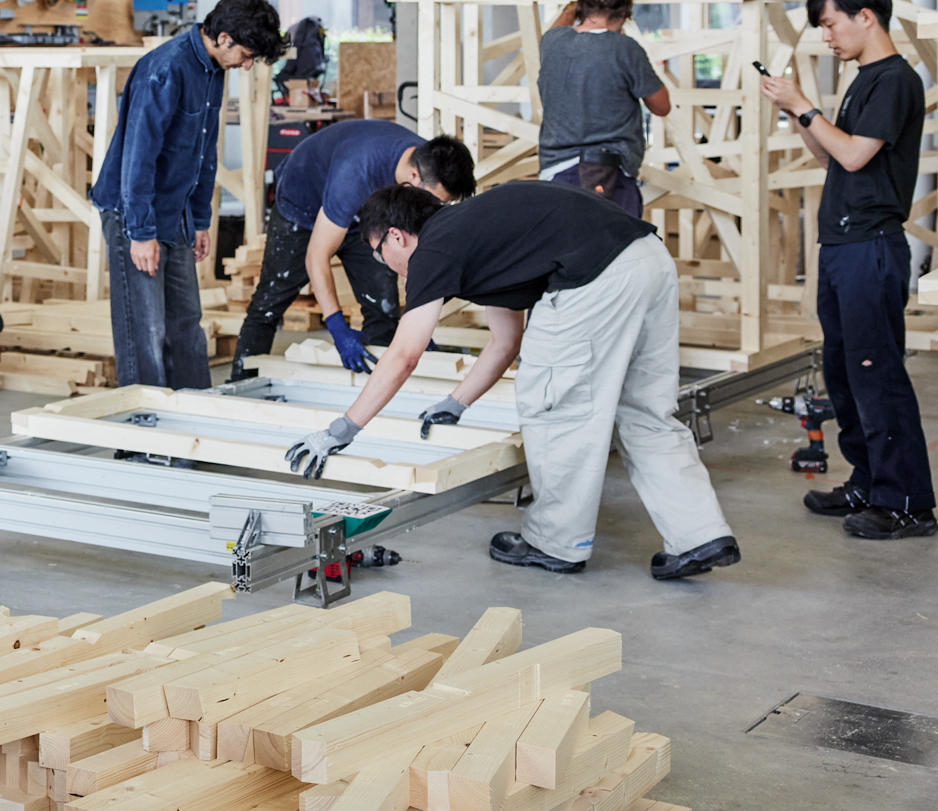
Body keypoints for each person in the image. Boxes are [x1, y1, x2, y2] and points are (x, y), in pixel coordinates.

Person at [287, 181, 739, 580]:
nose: (384, 264)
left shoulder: (436, 247)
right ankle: (699, 534)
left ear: (397, 236)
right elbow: (506, 340)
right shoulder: (480, 235)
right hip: (649, 260)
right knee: (647, 411)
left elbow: (404, 355)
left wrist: (341, 430)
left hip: (596, 277)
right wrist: (458, 400)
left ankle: (556, 543)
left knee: (555, 407)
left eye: (377, 251)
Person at [759, 0, 935, 540]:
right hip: (841, 244)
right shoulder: (862, 80)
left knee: (876, 373)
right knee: (845, 371)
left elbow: (857, 156)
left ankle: (906, 501)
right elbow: (832, 156)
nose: (827, 37)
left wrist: (805, 104)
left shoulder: (894, 80)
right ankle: (868, 481)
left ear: (867, 16)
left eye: (830, 24)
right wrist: (797, 113)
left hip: (870, 247)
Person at [92, 0, 285, 389]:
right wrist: (141, 233)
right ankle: (145, 441)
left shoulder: (214, 71)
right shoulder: (165, 69)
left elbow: (203, 152)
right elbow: (138, 159)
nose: (247, 66)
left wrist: (199, 220)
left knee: (186, 326)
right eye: (247, 55)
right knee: (145, 330)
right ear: (225, 37)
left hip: (175, 211)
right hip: (135, 211)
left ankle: (194, 422)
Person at [231, 122, 477, 380]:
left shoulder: (428, 160)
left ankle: (381, 390)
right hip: (304, 208)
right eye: (436, 199)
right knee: (269, 305)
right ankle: (238, 386)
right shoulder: (356, 173)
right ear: (414, 177)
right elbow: (316, 256)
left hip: (365, 214)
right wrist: (336, 326)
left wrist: (416, 327)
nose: (435, 206)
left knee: (383, 311)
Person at [537, 0, 669, 218]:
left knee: (563, 253)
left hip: (555, 172)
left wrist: (573, 8)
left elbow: (558, 27)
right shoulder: (625, 49)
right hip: (609, 175)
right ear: (626, 10)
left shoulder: (552, 42)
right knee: (617, 254)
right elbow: (662, 106)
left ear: (582, 5)